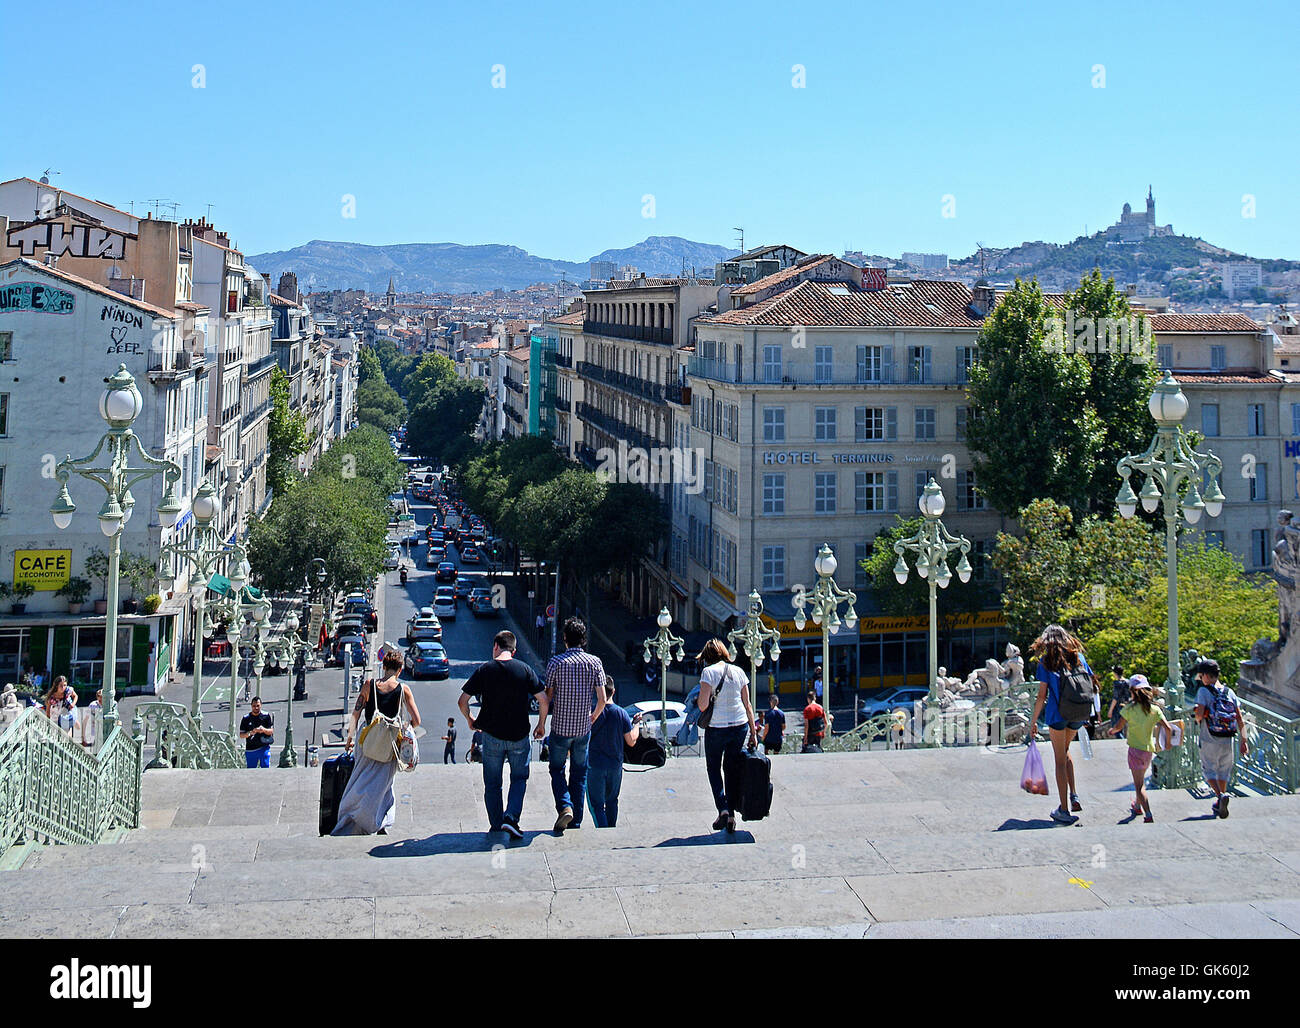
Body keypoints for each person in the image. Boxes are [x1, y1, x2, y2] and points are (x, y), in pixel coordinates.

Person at [459, 630, 547, 838]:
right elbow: (543, 699)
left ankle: (496, 825)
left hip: (492, 736)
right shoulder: (524, 670)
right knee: (519, 779)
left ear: (495, 646)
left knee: (492, 783)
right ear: (514, 651)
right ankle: (511, 818)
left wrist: (471, 720)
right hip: (518, 736)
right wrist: (541, 724)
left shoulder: (485, 670)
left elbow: (462, 701)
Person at [335, 653, 421, 835]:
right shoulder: (403, 689)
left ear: (383, 666)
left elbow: (356, 714)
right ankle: (380, 821)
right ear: (400, 669)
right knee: (384, 785)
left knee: (358, 781)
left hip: (367, 742)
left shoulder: (369, 685)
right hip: (389, 744)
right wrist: (404, 732)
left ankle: (351, 817)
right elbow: (417, 720)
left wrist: (349, 738)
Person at [544, 617, 606, 833]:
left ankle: (564, 806)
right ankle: (576, 821)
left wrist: (542, 722)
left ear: (565, 639)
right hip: (583, 729)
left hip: (560, 728)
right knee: (579, 773)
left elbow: (548, 696)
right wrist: (593, 717)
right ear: (584, 640)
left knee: (557, 769)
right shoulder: (595, 662)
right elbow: (603, 698)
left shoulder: (555, 663)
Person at [1027, 624, 1092, 825]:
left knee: (1059, 760)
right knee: (1065, 750)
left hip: (1058, 715)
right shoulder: (1079, 658)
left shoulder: (1046, 662)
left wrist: (1033, 721)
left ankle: (1064, 810)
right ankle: (1074, 795)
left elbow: (1041, 696)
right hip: (1079, 712)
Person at [696, 639, 757, 832]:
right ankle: (731, 815)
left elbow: (703, 706)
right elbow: (748, 705)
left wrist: (703, 696)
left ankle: (722, 809)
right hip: (739, 727)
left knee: (713, 768)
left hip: (717, 728)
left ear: (707, 657)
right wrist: (753, 732)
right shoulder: (738, 671)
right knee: (731, 769)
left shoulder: (708, 673)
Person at [1107, 674, 1171, 823]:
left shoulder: (1129, 709)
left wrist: (1113, 731)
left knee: (1139, 786)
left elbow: (1119, 726)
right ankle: (1137, 805)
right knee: (1140, 779)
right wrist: (1167, 743)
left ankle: (1148, 813)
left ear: (1133, 691)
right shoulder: (1154, 709)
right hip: (1148, 750)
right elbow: (1168, 728)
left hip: (1135, 750)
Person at [1192, 657, 1248, 818]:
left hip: (1209, 737)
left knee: (1208, 769)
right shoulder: (1229, 692)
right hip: (1228, 738)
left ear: (1206, 676)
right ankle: (1220, 800)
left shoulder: (1204, 691)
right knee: (1223, 770)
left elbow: (1199, 714)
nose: (1201, 679)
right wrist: (1244, 740)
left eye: (1201, 676)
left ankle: (1220, 796)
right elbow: (1239, 718)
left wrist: (1197, 715)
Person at [587, 677, 639, 828]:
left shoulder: (592, 714)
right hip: (615, 765)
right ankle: (611, 831)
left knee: (597, 805)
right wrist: (636, 725)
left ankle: (603, 832)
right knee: (612, 801)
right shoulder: (621, 713)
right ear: (613, 691)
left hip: (595, 765)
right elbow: (631, 741)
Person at [238, 696, 275, 768]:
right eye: (254, 706)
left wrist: (263, 730)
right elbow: (241, 735)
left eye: (258, 706)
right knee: (251, 770)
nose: (256, 708)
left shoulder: (266, 716)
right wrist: (250, 733)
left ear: (261, 705)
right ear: (251, 706)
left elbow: (271, 731)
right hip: (250, 749)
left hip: (263, 747)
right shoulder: (246, 718)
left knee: (265, 767)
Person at [1106, 665, 1130, 732]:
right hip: (1126, 705)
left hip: (1118, 707)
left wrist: (1110, 710)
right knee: (1122, 726)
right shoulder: (1128, 682)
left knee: (1116, 727)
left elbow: (1115, 698)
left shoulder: (1117, 683)